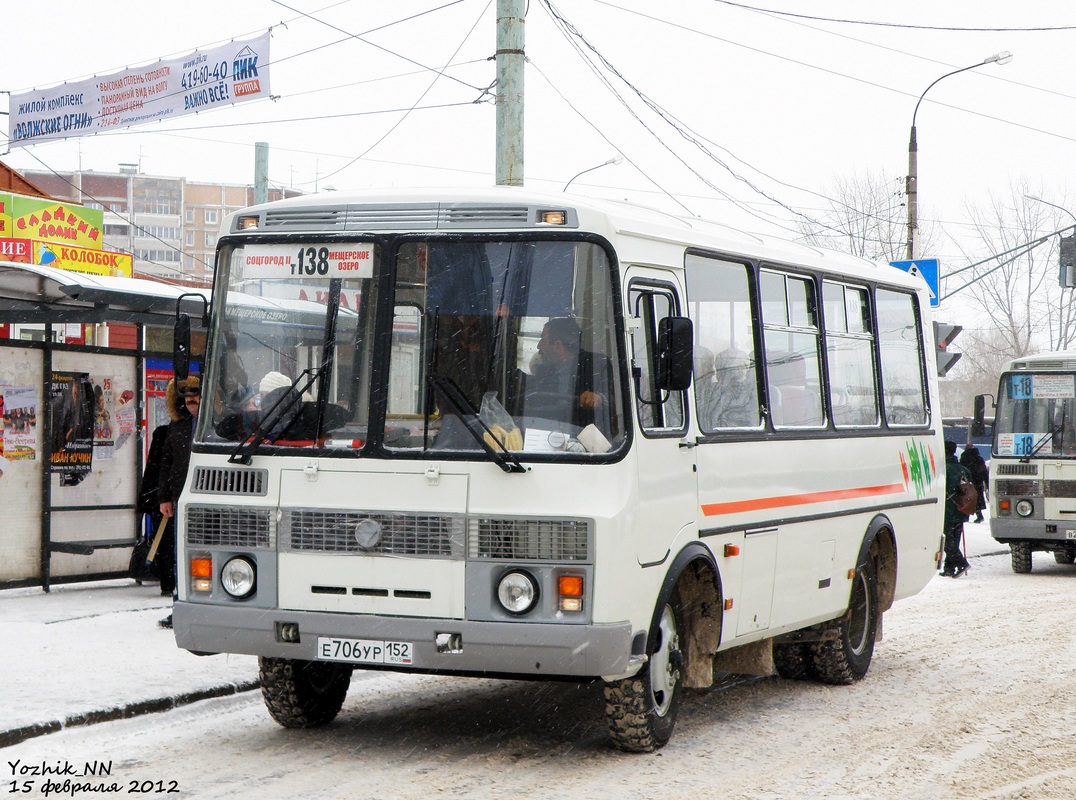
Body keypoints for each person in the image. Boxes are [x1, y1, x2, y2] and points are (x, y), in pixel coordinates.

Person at [156, 375, 201, 629]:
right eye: (187, 397)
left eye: (195, 396)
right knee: (179, 557)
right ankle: (179, 606)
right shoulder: (178, 426)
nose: (191, 401)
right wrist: (164, 497)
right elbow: (166, 462)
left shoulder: (212, 425)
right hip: (181, 497)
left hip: (205, 498)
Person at [526, 317, 615, 433]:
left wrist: (598, 398)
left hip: (585, 439)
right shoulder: (543, 371)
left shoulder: (596, 365)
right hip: (544, 435)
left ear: (557, 345)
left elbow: (615, 402)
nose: (538, 346)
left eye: (542, 338)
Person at [943, 439, 972, 578]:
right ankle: (949, 568)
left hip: (947, 510)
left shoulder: (943, 470)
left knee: (947, 543)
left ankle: (961, 563)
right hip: (961, 509)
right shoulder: (963, 469)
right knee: (954, 539)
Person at [959, 444, 990, 524]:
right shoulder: (979, 458)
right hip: (978, 482)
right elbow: (984, 472)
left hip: (968, 483)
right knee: (977, 499)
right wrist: (987, 483)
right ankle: (979, 516)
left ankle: (967, 516)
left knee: (967, 499)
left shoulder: (964, 457)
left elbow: (962, 471)